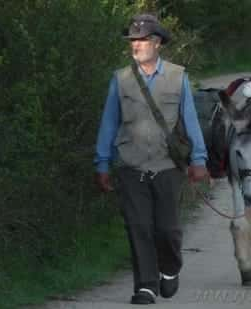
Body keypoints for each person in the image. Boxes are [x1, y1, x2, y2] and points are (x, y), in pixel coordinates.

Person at [93, 13, 209, 305]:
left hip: (167, 166)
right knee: (138, 226)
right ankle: (145, 285)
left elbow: (191, 120)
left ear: (157, 43)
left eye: (142, 39)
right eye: (133, 40)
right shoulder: (119, 79)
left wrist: (198, 158)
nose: (136, 44)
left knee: (167, 229)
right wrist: (102, 163)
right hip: (131, 166)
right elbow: (109, 122)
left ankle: (169, 269)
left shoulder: (177, 76)